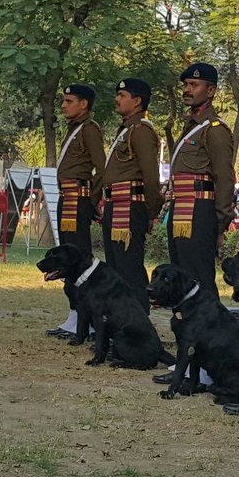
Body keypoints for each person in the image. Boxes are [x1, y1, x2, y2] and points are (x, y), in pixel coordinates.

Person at [168, 62, 237, 294]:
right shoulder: (190, 127)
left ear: (211, 91)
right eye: (186, 85)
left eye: (194, 85)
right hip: (180, 207)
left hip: (200, 211)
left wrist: (219, 223)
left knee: (198, 277)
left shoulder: (214, 129)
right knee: (181, 275)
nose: (188, 89)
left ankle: (209, 327)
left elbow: (225, 179)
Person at [48, 82, 106, 338]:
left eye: (69, 101)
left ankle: (87, 318)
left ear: (84, 104)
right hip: (67, 197)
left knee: (79, 259)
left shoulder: (90, 130)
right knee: (66, 260)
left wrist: (92, 202)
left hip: (79, 199)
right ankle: (74, 314)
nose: (64, 105)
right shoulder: (74, 129)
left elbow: (100, 168)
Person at [103, 77, 164, 308]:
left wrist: (150, 212)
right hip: (115, 203)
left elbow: (150, 176)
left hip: (129, 205)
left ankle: (138, 322)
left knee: (129, 267)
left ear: (137, 101)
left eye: (122, 96)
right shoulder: (127, 129)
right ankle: (121, 321)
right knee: (116, 266)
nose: (117, 99)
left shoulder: (141, 130)